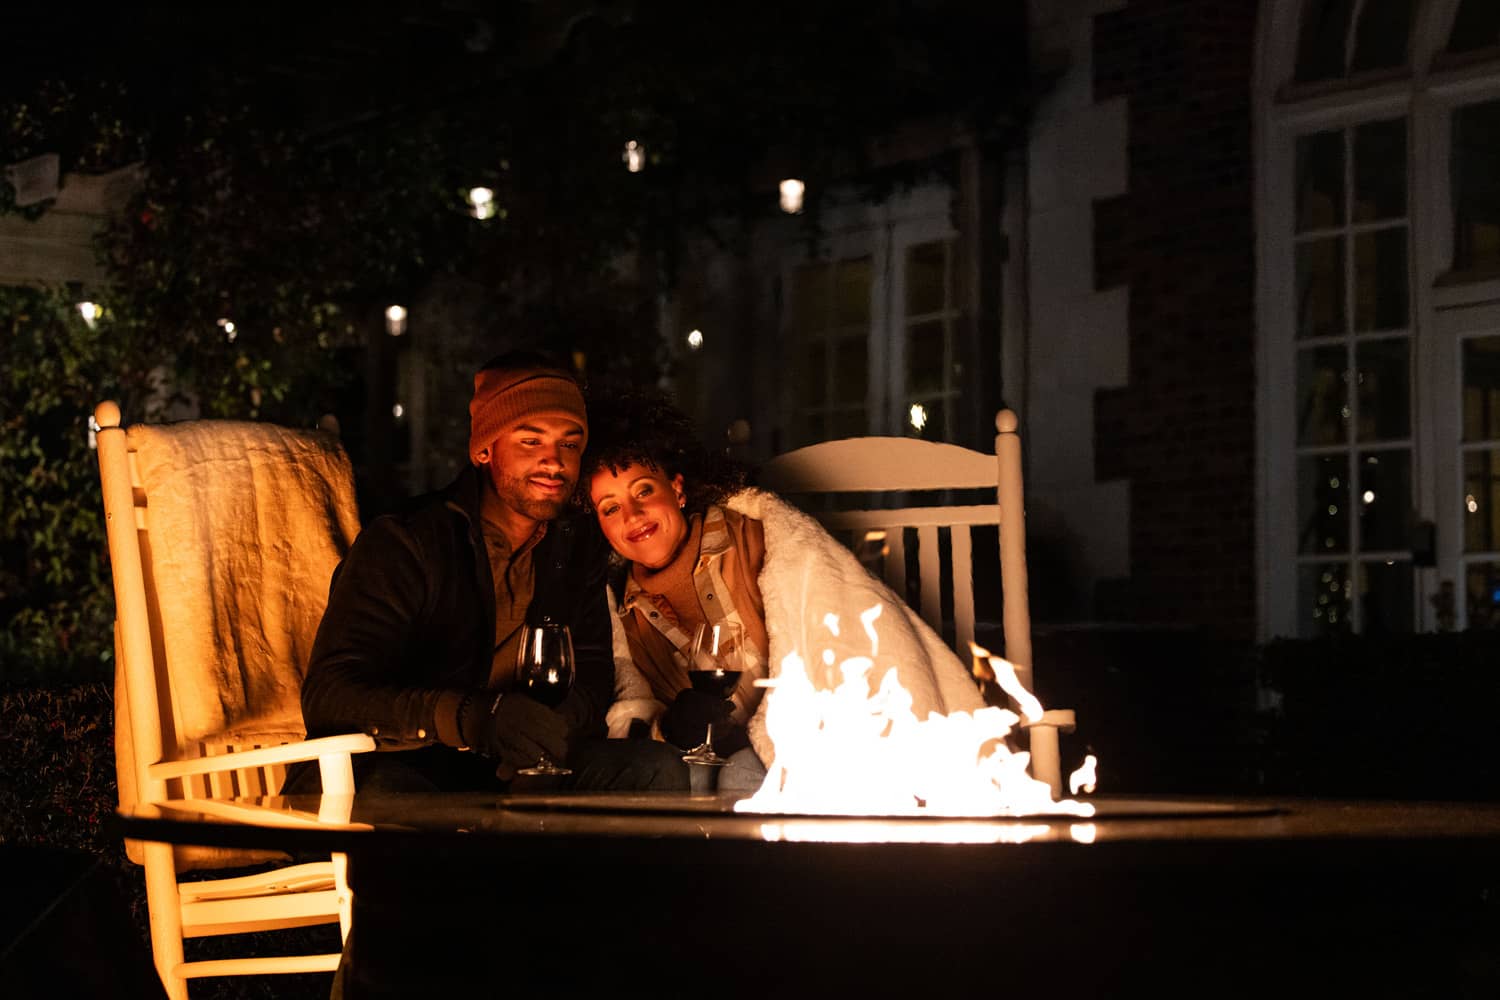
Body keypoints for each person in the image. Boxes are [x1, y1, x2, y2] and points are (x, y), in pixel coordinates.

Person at [299, 350, 686, 793]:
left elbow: (592, 673)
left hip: (514, 764)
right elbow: (330, 695)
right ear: (484, 448)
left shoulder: (575, 546)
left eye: (570, 443)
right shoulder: (407, 542)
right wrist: (473, 718)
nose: (555, 461)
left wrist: (548, 729)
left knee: (655, 769)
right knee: (404, 799)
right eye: (530, 440)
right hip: (403, 764)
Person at [583, 390, 988, 791]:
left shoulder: (753, 539)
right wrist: (668, 728)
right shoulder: (624, 614)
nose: (632, 515)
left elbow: (839, 626)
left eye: (643, 491)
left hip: (823, 733)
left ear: (678, 489)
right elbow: (639, 722)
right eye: (611, 507)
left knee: (742, 772)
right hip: (719, 765)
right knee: (688, 779)